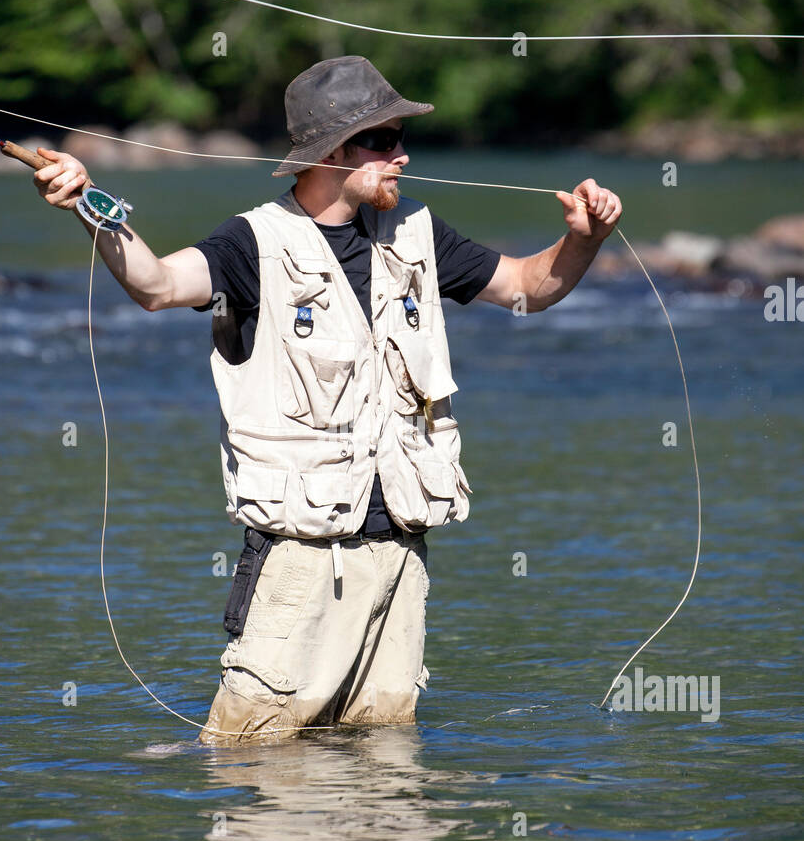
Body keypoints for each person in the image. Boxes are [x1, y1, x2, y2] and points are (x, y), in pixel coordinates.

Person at [33, 55, 622, 743]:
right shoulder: (250, 243)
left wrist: (584, 241)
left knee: (386, 770)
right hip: (300, 565)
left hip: (400, 558)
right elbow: (158, 284)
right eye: (384, 140)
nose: (402, 156)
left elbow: (529, 287)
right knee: (251, 757)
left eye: (403, 138)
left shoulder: (418, 232)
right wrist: (89, 205)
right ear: (333, 152)